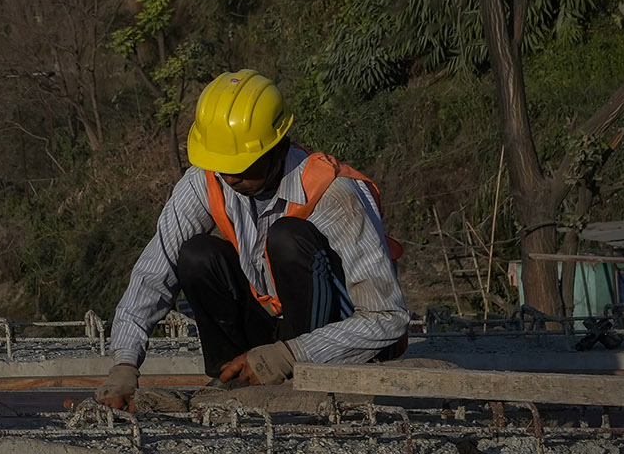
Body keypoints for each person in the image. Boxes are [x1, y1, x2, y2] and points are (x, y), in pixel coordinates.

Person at [97, 70, 408, 410]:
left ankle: (295, 377)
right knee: (197, 255)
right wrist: (124, 364)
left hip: (334, 337)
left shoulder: (336, 194)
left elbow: (387, 317)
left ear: (281, 147)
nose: (231, 177)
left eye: (244, 166)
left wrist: (291, 355)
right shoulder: (208, 180)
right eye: (223, 166)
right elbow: (155, 271)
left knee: (288, 237)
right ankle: (234, 378)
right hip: (273, 331)